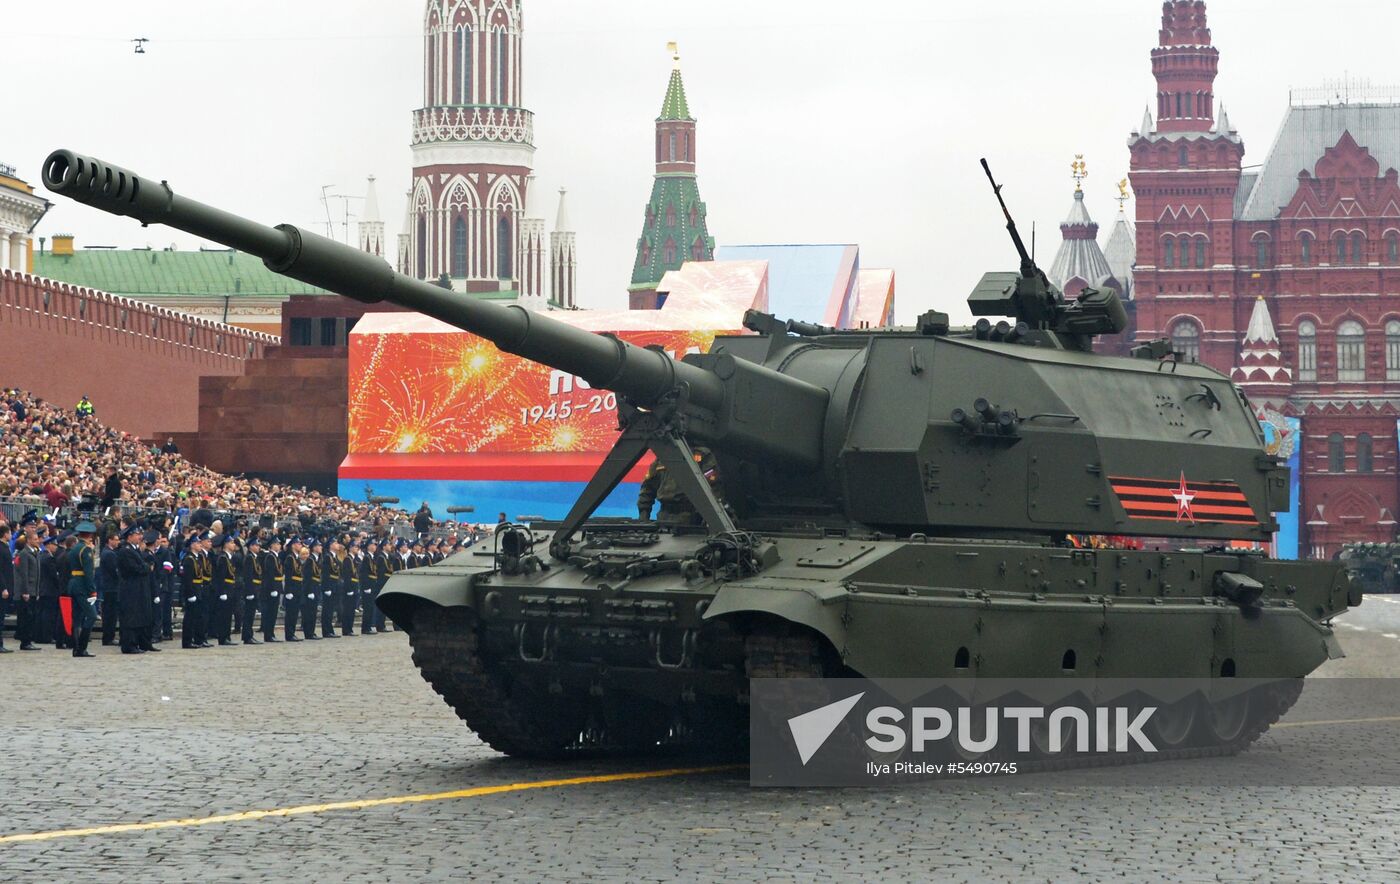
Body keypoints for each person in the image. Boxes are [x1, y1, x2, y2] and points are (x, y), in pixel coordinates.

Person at [636, 446, 721, 526]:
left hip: (691, 519)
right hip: (664, 517)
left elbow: (713, 488)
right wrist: (644, 516)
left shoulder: (701, 455)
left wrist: (707, 519)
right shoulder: (663, 455)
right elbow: (647, 489)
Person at [115, 527, 152, 655]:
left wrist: (145, 567)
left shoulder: (134, 550)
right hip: (130, 588)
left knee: (137, 616)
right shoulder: (126, 551)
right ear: (129, 536)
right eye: (137, 535)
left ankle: (136, 642)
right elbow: (136, 568)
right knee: (130, 617)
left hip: (137, 588)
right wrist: (146, 567)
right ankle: (129, 644)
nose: (139, 537)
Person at [65, 521, 100, 658]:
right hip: (82, 586)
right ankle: (82, 647)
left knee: (77, 617)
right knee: (91, 615)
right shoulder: (85, 550)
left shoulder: (74, 548)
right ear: (90, 535)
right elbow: (88, 572)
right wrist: (92, 590)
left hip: (74, 583)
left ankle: (75, 647)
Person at [180, 532, 209, 649]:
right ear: (192, 545)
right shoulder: (189, 559)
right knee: (190, 618)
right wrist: (190, 594)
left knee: (197, 616)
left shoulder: (196, 558)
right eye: (197, 543)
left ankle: (197, 639)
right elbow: (187, 579)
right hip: (192, 590)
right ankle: (187, 641)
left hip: (198, 589)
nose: (200, 544)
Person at [14, 531, 41, 651]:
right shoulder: (25, 553)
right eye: (35, 539)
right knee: (27, 616)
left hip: (34, 589)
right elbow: (24, 574)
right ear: (29, 540)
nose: (37, 541)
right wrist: (25, 591)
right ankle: (25, 641)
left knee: (32, 616)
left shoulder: (35, 552)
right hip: (28, 589)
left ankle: (28, 640)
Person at [211, 534, 238, 646]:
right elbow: (220, 577)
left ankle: (227, 636)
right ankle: (223, 637)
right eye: (231, 543)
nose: (233, 545)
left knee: (228, 615)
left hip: (230, 588)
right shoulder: (222, 558)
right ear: (226, 544)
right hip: (225, 589)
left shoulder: (229, 558)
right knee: (223, 615)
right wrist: (222, 592)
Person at [37, 535, 63, 648]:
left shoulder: (41, 556)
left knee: (43, 613)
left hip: (43, 589)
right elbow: (54, 576)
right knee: (49, 615)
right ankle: (47, 636)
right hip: (50, 590)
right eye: (54, 545)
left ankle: (41, 635)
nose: (56, 547)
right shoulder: (49, 558)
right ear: (49, 545)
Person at [240, 535, 264, 645]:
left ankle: (249, 634)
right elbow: (248, 576)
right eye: (256, 545)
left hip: (256, 588)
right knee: (248, 613)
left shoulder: (255, 557)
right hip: (251, 588)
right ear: (251, 547)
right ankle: (247, 636)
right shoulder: (249, 558)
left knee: (251, 613)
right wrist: (249, 591)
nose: (258, 547)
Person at [260, 536, 284, 643]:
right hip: (271, 588)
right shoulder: (270, 557)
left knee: (274, 612)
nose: (279, 545)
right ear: (272, 546)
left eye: (279, 544)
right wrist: (273, 588)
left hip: (276, 586)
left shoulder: (276, 557)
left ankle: (271, 633)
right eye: (277, 544)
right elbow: (270, 574)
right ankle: (268, 635)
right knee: (270, 612)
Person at [99, 531, 121, 645]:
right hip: (111, 587)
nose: (118, 542)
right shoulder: (109, 554)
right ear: (110, 540)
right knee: (110, 614)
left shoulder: (108, 552)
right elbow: (115, 571)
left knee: (110, 613)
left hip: (109, 587)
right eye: (116, 540)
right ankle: (108, 637)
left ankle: (108, 636)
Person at [283, 537, 307, 642]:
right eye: (298, 544)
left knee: (294, 613)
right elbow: (288, 576)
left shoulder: (296, 558)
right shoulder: (290, 558)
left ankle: (292, 633)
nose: (300, 545)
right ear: (293, 545)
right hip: (292, 589)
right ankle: (289, 634)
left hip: (297, 588)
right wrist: (288, 591)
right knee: (291, 613)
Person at [321, 540, 342, 638]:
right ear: (330, 545)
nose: (338, 545)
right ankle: (326, 630)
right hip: (329, 586)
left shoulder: (334, 557)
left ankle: (330, 630)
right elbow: (325, 574)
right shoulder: (327, 557)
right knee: (327, 609)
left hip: (335, 586)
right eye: (335, 543)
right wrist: (326, 588)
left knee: (331, 609)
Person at [0, 525, 13, 654]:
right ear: (5, 534)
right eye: (9, 533)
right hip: (2, 588)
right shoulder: (1, 548)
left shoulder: (5, 547)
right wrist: (3, 587)